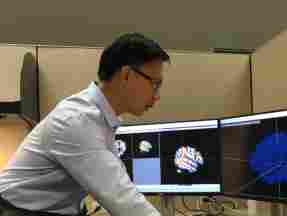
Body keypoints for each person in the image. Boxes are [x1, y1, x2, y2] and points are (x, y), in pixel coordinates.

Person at [0, 33, 170, 216]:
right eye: (155, 84)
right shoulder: (77, 120)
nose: (157, 95)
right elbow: (123, 200)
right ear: (127, 75)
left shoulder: (99, 118)